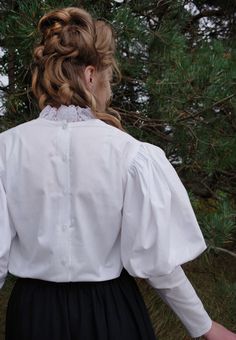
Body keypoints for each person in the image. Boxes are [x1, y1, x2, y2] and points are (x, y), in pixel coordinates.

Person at [0, 6, 235, 340]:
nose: (108, 90)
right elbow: (157, 264)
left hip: (33, 317)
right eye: (109, 79)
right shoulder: (131, 154)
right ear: (92, 74)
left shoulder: (6, 150)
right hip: (111, 313)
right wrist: (205, 326)